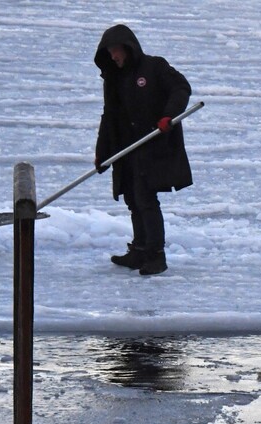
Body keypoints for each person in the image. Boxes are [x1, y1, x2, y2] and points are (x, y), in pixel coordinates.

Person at [94, 24, 193, 276]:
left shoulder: (154, 67)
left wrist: (169, 115)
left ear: (128, 48)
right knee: (131, 198)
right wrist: (102, 152)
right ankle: (139, 250)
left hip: (152, 143)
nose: (114, 56)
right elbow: (109, 117)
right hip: (125, 147)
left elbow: (181, 87)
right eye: (110, 52)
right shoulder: (113, 79)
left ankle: (156, 255)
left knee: (145, 198)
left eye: (116, 51)